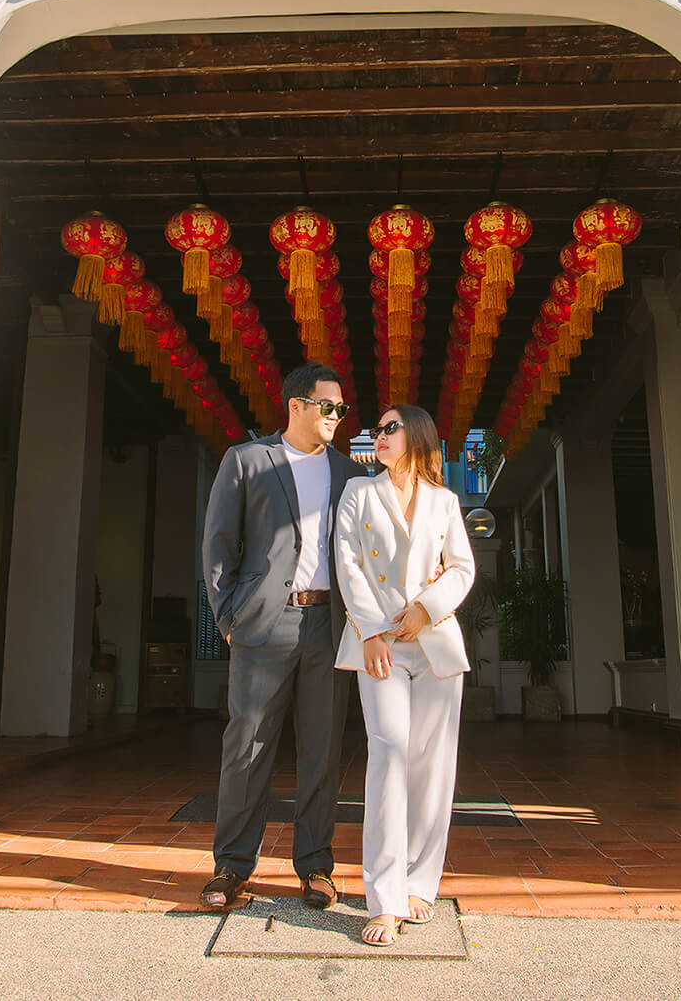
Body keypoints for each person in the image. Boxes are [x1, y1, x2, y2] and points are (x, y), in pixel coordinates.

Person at [198, 362, 363, 912]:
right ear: (296, 406)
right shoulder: (247, 461)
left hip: (329, 626)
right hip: (264, 624)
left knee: (322, 750)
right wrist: (227, 617)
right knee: (247, 745)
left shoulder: (348, 474)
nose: (337, 417)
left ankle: (315, 866)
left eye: (341, 408)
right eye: (329, 407)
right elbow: (218, 542)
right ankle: (231, 867)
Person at [333, 403, 477, 947]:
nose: (379, 435)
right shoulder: (358, 493)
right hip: (381, 647)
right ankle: (385, 899)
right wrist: (370, 630)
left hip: (435, 644)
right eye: (377, 429)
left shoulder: (444, 500)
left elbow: (462, 567)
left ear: (417, 437)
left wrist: (427, 608)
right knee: (388, 755)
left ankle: (421, 884)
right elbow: (347, 560)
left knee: (433, 769)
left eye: (390, 428)